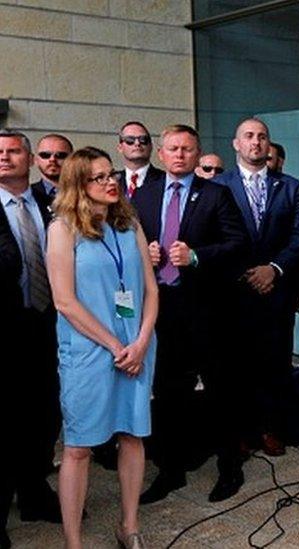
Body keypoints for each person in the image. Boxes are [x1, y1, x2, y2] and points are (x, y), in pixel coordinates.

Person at [46, 147, 158, 549]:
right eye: (99, 177)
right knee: (78, 447)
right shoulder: (62, 229)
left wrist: (142, 340)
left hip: (137, 348)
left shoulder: (129, 224)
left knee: (132, 435)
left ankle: (128, 526)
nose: (111, 182)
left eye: (111, 174)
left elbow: (150, 289)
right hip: (90, 352)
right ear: (78, 184)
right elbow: (64, 301)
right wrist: (115, 345)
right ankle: (73, 542)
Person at [132, 125, 248, 504]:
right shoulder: (144, 196)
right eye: (173, 149)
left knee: (221, 390)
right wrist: (143, 256)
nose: (180, 155)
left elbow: (238, 244)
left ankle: (230, 468)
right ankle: (171, 470)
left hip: (207, 309)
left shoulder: (217, 194)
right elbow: (127, 248)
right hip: (162, 308)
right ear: (161, 154)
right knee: (168, 393)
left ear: (198, 155)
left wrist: (197, 256)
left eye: (187, 149)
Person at [215, 118, 299, 457]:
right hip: (235, 294)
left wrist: (274, 268)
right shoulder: (218, 186)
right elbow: (215, 236)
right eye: (249, 136)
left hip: (276, 291)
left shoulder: (291, 187)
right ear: (236, 143)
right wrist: (246, 272)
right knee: (237, 366)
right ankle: (242, 432)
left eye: (262, 137)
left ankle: (272, 428)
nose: (256, 142)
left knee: (276, 362)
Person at [0, 130, 62, 549]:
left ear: (30, 158)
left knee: (44, 412)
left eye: (13, 150)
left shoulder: (50, 202)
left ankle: (35, 493)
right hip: (3, 330)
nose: (5, 158)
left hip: (50, 325)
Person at [116, 122, 163, 199]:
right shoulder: (113, 181)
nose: (137, 143)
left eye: (143, 139)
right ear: (120, 148)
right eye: (130, 140)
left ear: (151, 146)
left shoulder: (164, 180)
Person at [32, 134, 73, 198]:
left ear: (72, 159)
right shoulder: (24, 194)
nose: (52, 159)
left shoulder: (85, 192)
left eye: (60, 155)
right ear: (36, 160)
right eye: (45, 155)